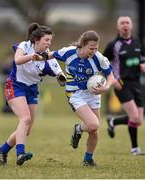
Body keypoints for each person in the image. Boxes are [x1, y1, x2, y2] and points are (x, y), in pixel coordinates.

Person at [35, 30, 115, 167]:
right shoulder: (69, 52)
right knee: (93, 124)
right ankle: (78, 128)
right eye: (91, 48)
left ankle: (88, 160)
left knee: (94, 130)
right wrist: (39, 57)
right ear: (82, 45)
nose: (94, 51)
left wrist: (106, 87)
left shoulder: (99, 58)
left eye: (96, 48)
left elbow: (111, 76)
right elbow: (51, 54)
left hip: (94, 94)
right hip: (75, 94)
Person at [0, 23, 66, 166]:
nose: (49, 43)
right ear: (37, 39)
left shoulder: (49, 57)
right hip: (15, 86)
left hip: (32, 89)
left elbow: (60, 74)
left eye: (50, 40)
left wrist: (62, 79)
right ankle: (20, 153)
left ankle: (3, 150)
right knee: (25, 119)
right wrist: (32, 57)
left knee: (26, 129)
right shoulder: (25, 46)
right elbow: (17, 60)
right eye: (47, 40)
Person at [103, 16, 145, 155]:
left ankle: (113, 122)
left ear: (131, 26)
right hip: (121, 84)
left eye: (127, 23)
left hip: (137, 83)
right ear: (118, 27)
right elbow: (102, 63)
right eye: (122, 23)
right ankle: (134, 149)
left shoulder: (138, 41)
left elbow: (142, 59)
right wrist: (112, 80)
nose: (125, 25)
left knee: (138, 120)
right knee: (134, 117)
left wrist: (143, 65)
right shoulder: (113, 45)